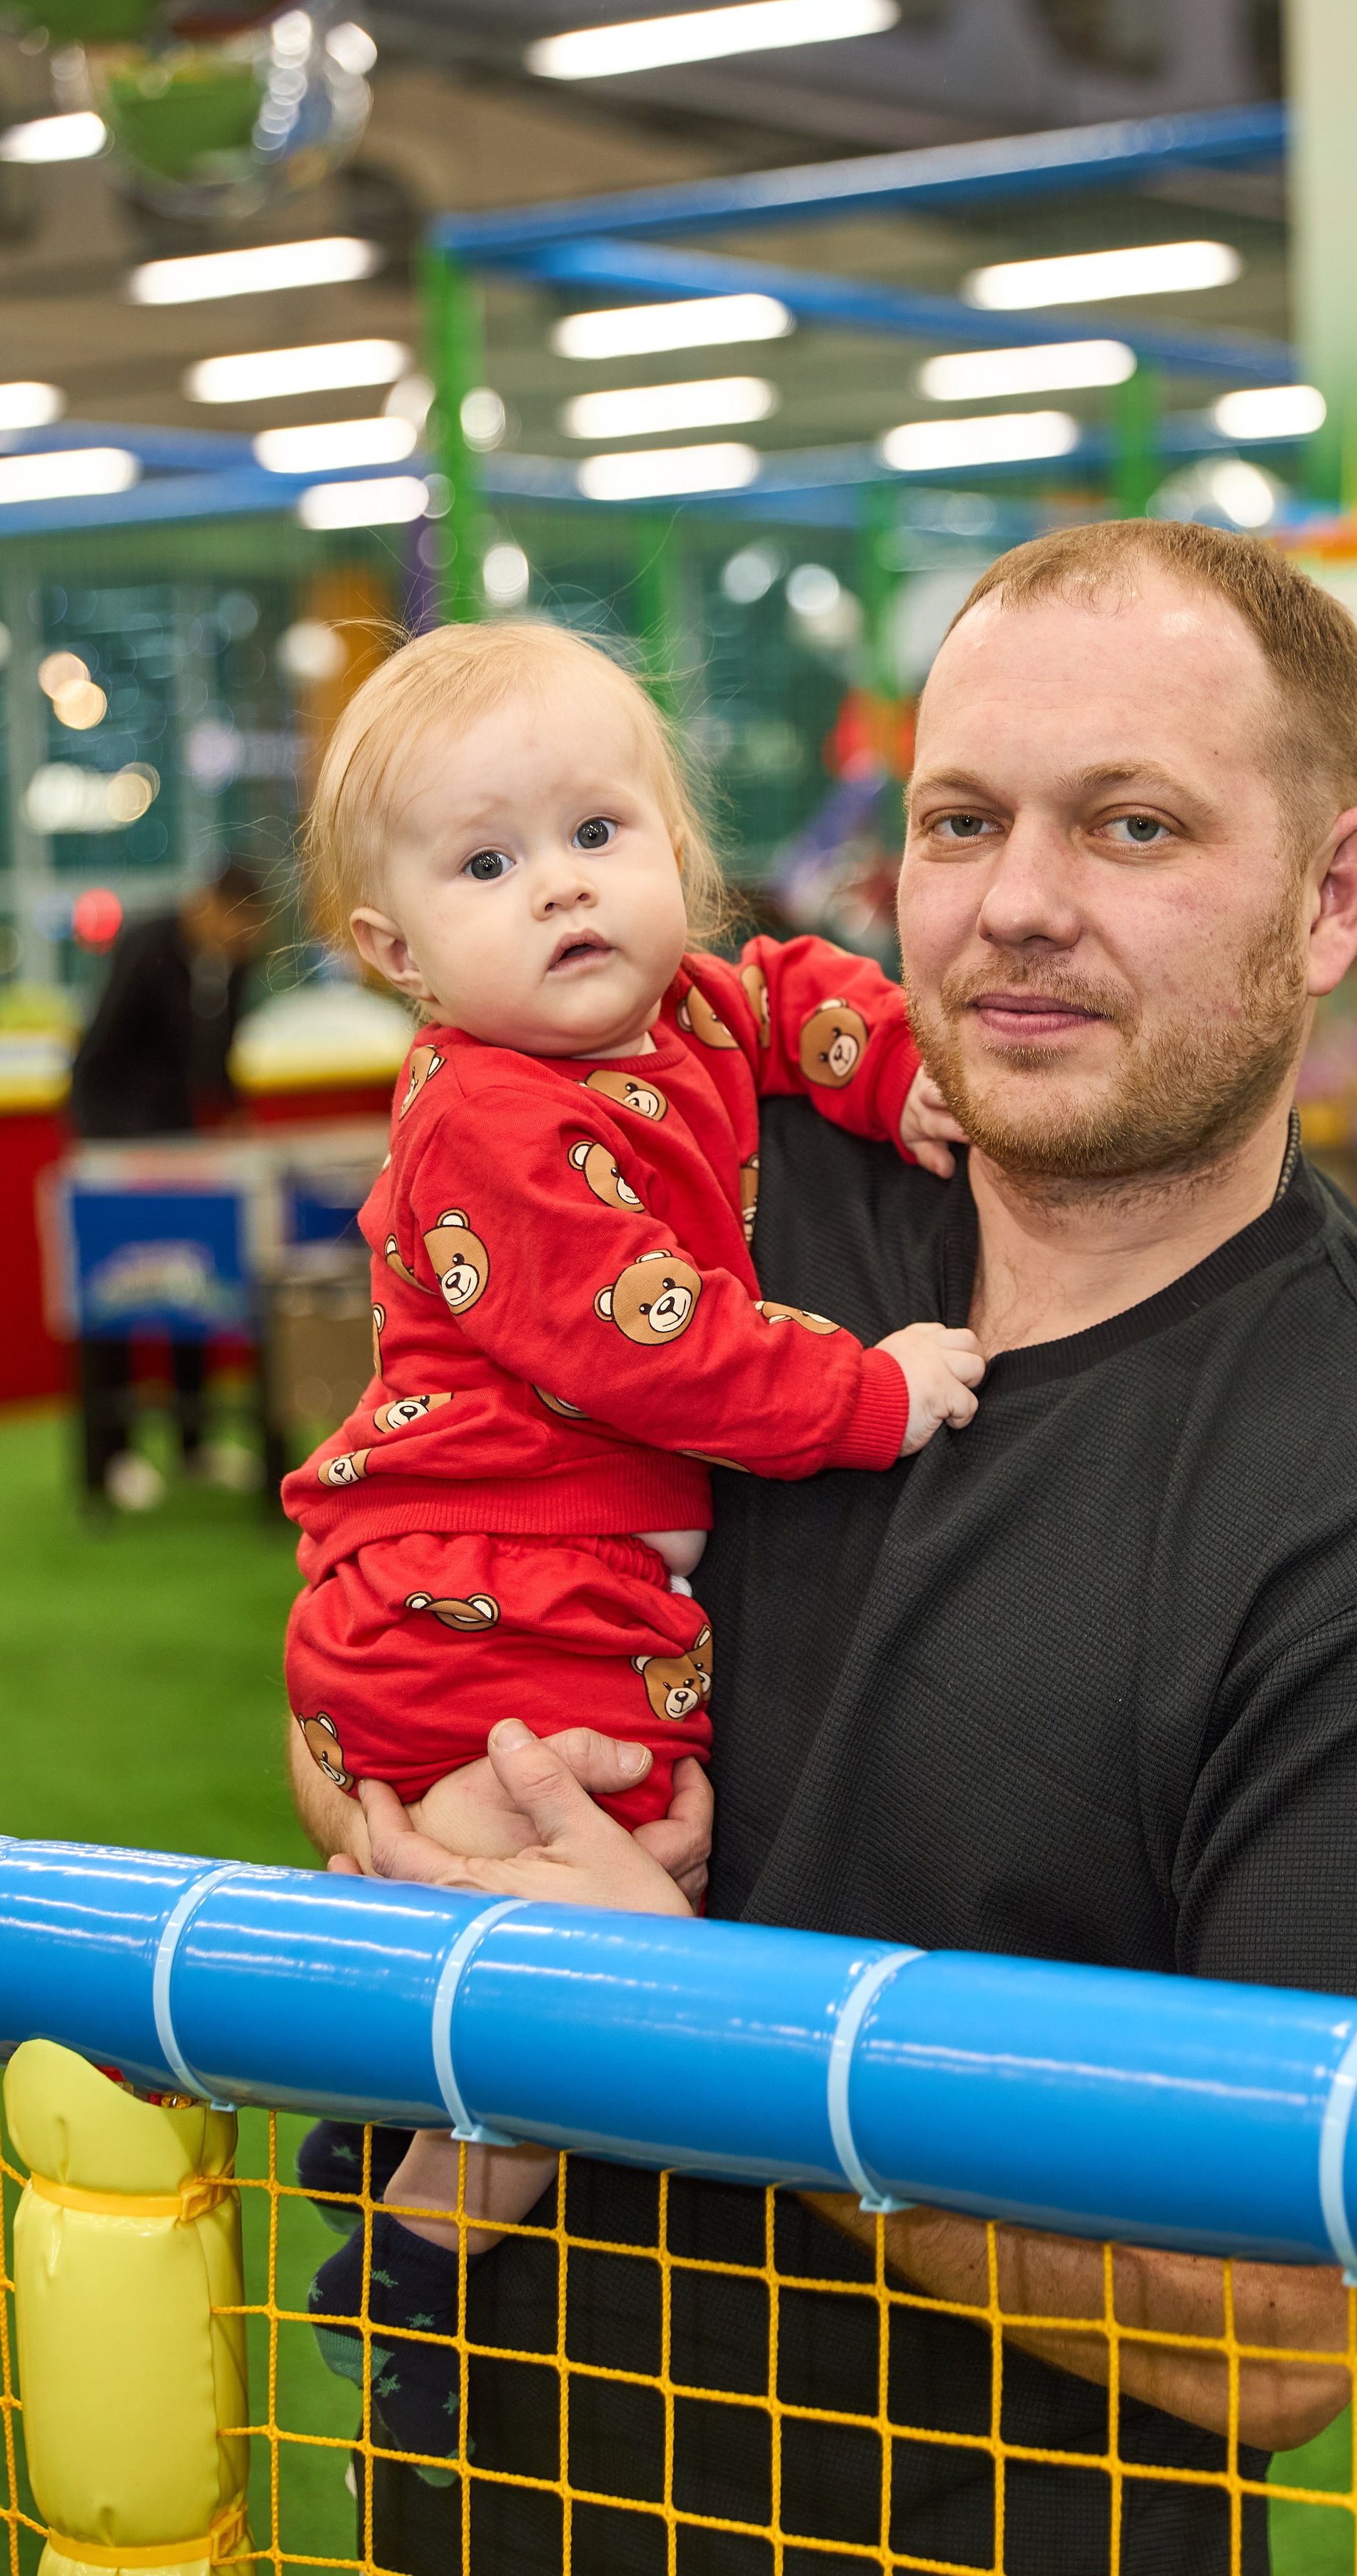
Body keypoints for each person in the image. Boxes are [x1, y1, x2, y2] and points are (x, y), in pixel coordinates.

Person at [289, 520, 1357, 2576]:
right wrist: (398, 1784)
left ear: (1332, 895)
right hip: (482, 2491)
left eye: (1134, 826)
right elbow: (395, 1591)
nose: (1016, 906)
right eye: (961, 820)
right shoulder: (714, 1175)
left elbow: (1281, 2325)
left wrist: (682, 2019)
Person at [283, 618, 982, 2454]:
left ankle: (374, 2118)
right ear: (395, 953)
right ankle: (417, 2250)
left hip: (527, 1583)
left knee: (552, 1863)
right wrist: (868, 1388)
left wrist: (888, 1060)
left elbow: (790, 993)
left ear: (675, 845)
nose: (562, 888)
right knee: (611, 1930)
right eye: (486, 865)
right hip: (480, 1594)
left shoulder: (684, 1016)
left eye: (599, 832)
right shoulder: (489, 1123)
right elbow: (651, 1340)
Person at [69, 858, 270, 1508]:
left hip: (183, 1144)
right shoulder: (147, 945)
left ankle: (193, 1446)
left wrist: (232, 1122)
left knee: (195, 1284)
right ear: (209, 907)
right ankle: (114, 1456)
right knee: (115, 1294)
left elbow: (217, 1060)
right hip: (115, 1145)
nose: (245, 941)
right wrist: (116, 1155)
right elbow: (97, 1057)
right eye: (239, 925)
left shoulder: (237, 962)